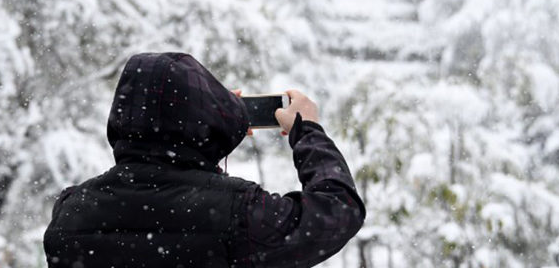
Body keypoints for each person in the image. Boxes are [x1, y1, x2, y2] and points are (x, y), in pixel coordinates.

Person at [43, 52, 366, 267]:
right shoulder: (238, 212)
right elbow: (338, 210)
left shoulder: (70, 212)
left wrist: (215, 132)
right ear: (205, 123)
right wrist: (306, 130)